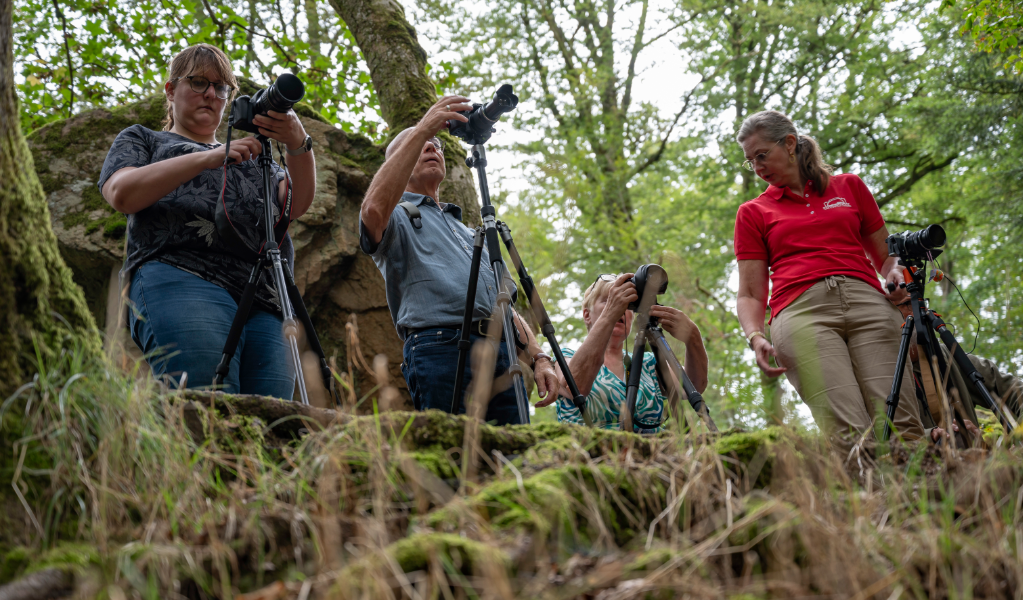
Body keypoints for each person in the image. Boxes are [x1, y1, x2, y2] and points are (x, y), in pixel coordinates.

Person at [99, 44, 316, 398]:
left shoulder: (255, 157)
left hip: (265, 297)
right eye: (199, 82)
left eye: (221, 88)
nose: (211, 94)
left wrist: (297, 143)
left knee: (275, 421)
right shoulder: (144, 139)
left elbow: (296, 205)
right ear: (170, 90)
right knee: (207, 405)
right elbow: (122, 193)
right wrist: (206, 159)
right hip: (180, 275)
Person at [359, 95, 559, 425]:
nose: (431, 147)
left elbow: (504, 306)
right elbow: (373, 211)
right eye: (419, 144)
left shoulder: (471, 234)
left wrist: (538, 357)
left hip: (501, 353)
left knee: (515, 458)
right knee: (455, 459)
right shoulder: (396, 217)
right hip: (440, 350)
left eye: (436, 144)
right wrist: (422, 128)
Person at [733, 110, 926, 448]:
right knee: (849, 434)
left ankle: (918, 498)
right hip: (801, 316)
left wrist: (895, 272)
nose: (757, 167)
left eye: (761, 155)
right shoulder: (753, 212)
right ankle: (865, 501)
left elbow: (885, 256)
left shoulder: (849, 187)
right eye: (751, 161)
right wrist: (755, 337)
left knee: (902, 424)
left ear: (789, 143)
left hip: (869, 305)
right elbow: (750, 293)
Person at [539, 273, 709, 432]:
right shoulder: (565, 357)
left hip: (653, 457)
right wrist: (610, 313)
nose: (619, 307)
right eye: (608, 300)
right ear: (587, 315)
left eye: (627, 304)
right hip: (590, 457)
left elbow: (692, 388)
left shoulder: (648, 363)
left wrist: (692, 338)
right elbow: (575, 386)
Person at [892, 299, 1020, 445]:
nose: (914, 310)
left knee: (959, 437)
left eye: (916, 301)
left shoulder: (947, 355)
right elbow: (879, 434)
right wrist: (930, 436)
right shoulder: (880, 371)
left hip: (973, 459)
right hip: (916, 463)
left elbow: (1014, 390)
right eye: (905, 303)